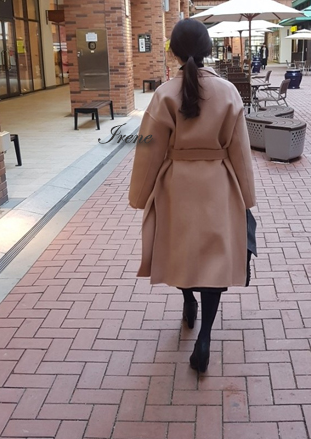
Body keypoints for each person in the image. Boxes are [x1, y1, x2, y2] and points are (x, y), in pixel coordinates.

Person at [129, 19, 256, 374]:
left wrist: (139, 195)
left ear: (173, 51)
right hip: (218, 185)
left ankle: (188, 301)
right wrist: (247, 196)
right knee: (213, 260)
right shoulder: (228, 92)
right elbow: (240, 150)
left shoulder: (163, 95)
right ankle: (205, 338)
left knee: (182, 252)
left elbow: (147, 150)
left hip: (176, 187)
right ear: (208, 50)